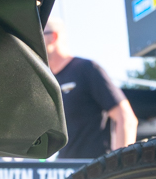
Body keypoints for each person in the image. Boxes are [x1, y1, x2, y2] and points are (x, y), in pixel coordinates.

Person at [44, 16, 138, 158]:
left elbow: (125, 118)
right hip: (65, 167)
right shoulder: (47, 81)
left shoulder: (86, 69)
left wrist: (120, 163)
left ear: (53, 37)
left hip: (95, 166)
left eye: (39, 36)